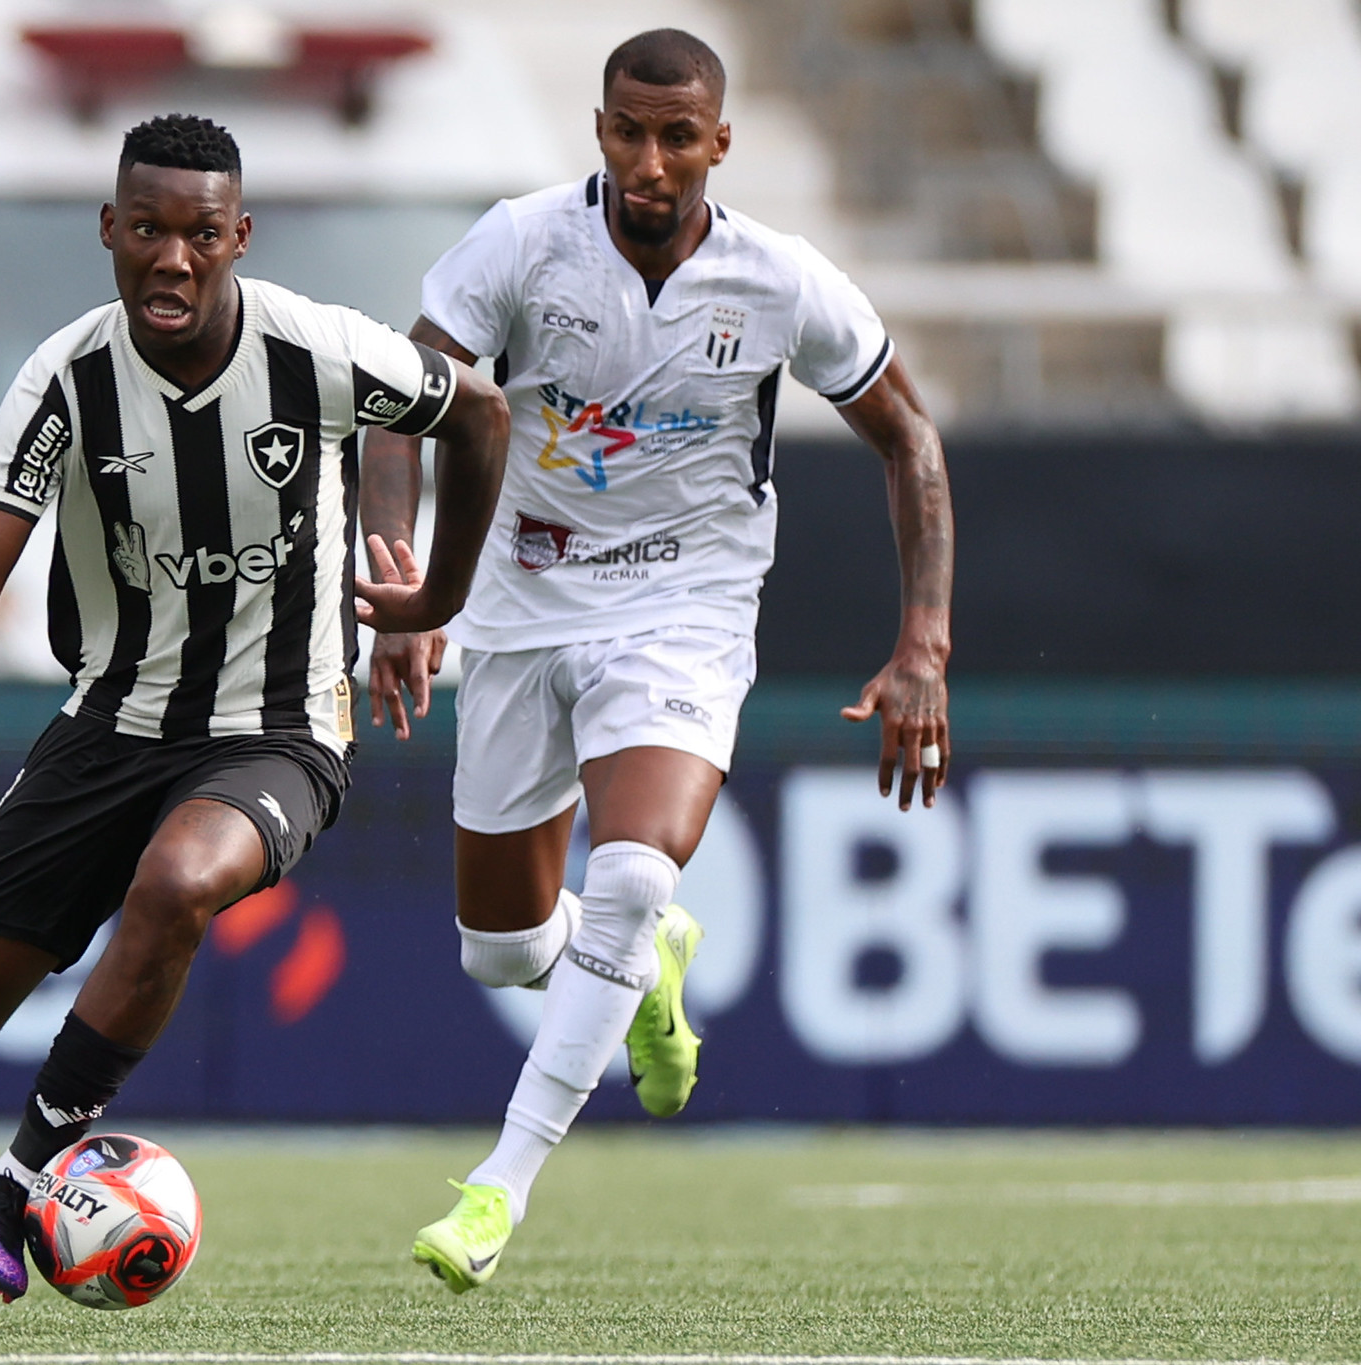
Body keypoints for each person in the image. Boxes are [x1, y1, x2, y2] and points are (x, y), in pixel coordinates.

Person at [0, 113, 508, 1336]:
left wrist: (436, 593)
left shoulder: (314, 349)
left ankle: (11, 1189)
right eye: (149, 230)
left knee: (178, 884)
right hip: (107, 722)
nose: (172, 258)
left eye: (200, 235)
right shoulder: (63, 378)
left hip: (279, 725)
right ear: (108, 231)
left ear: (237, 240)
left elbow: (473, 413)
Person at [360, 29, 955, 1292]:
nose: (648, 159)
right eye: (628, 131)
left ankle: (494, 1191)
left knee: (627, 874)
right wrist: (408, 584)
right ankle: (644, 964)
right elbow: (406, 402)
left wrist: (921, 646)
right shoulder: (520, 244)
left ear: (718, 143)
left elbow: (907, 437)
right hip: (518, 611)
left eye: (676, 135)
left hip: (683, 611)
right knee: (504, 948)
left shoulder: (777, 278)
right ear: (597, 131)